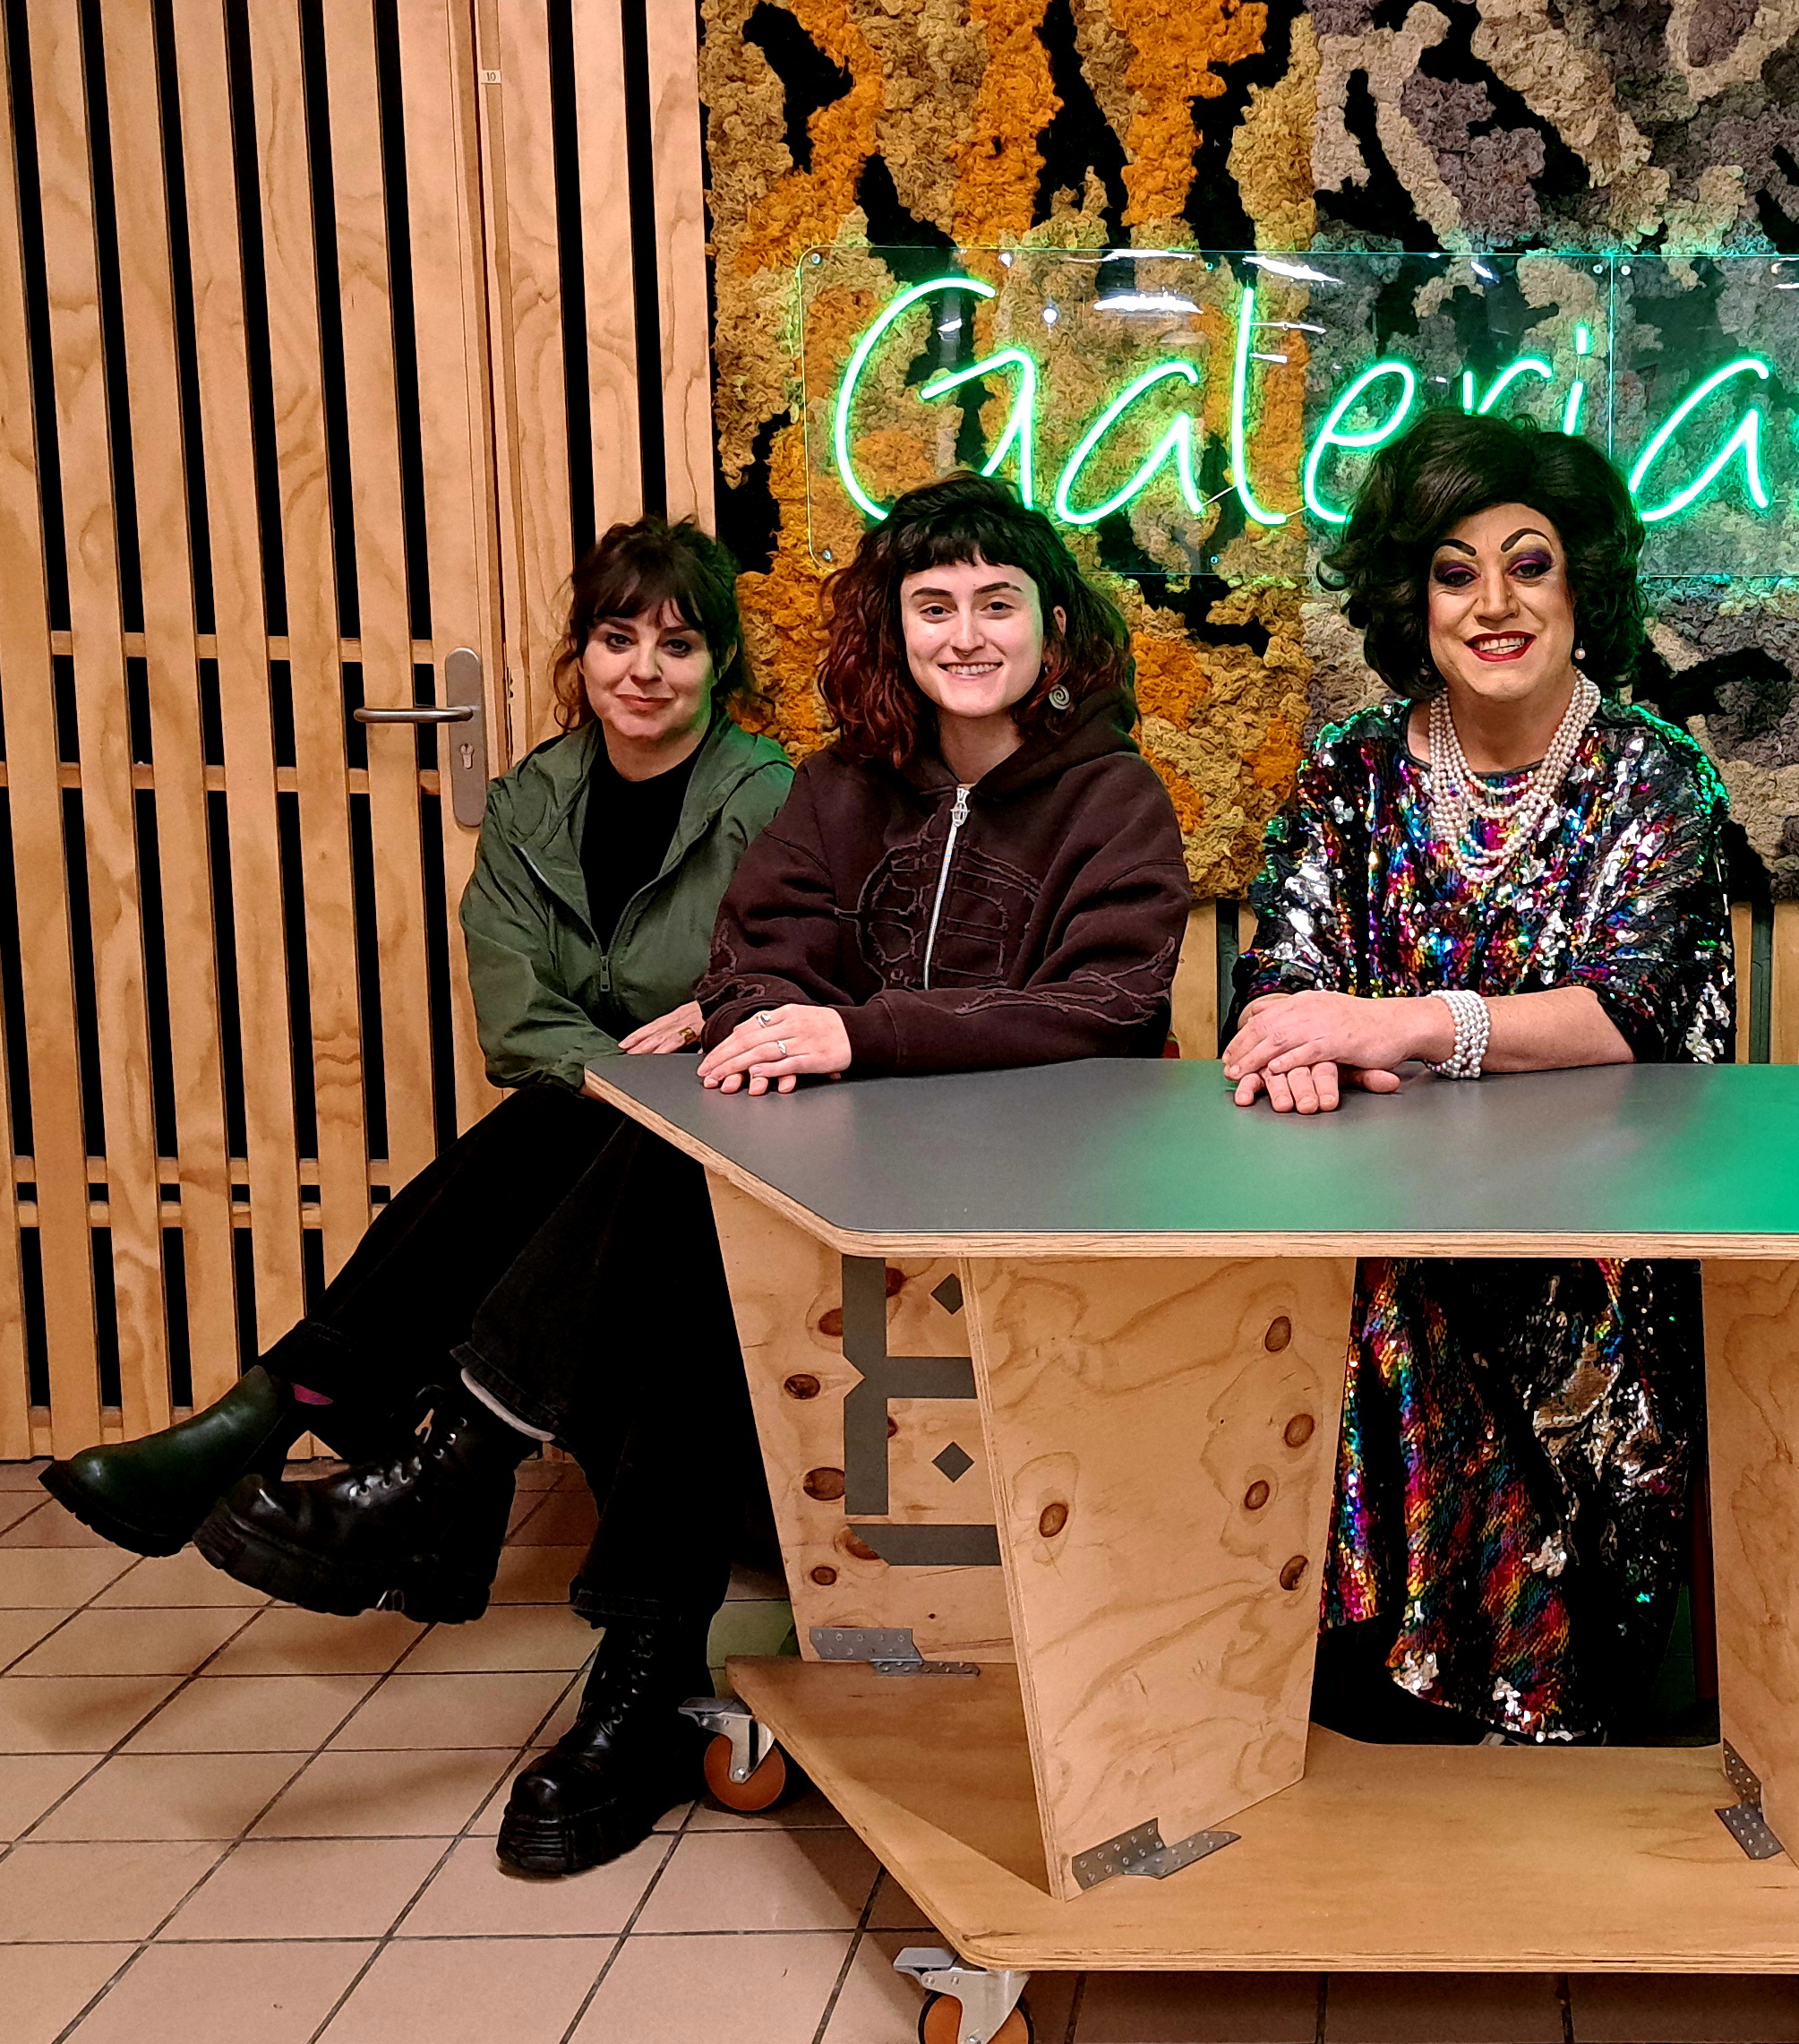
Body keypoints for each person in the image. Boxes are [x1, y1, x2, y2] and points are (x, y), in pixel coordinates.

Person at [188, 473, 1193, 1877]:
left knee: (670, 1197)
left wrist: (856, 1032)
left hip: (1029, 1191)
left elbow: (1111, 1004)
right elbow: (756, 953)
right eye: (933, 606)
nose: (966, 634)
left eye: (996, 604)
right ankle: (635, 1661)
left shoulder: (1113, 797)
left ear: (1053, 626)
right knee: (680, 1205)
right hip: (839, 1184)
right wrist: (768, 1014)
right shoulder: (842, 786)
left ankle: (469, 1480)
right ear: (892, 630)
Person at [39, 520, 791, 1557]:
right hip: (588, 1118)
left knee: (535, 1141)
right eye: (618, 639)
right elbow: (517, 1019)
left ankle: (281, 1411)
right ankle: (376, 1454)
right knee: (552, 1132)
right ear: (581, 652)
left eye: (679, 645)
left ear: (721, 662)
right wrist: (620, 1078)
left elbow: (784, 978)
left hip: (725, 1123)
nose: (644, 671)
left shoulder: (769, 796)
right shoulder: (532, 802)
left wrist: (704, 1031)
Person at [1223, 411, 1737, 1746]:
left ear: (1582, 588)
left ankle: (1552, 1700)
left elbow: (1629, 1009)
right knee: (1353, 1292)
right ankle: (1357, 1703)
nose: (1493, 603)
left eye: (1529, 564)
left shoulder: (1656, 775)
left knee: (1508, 1312)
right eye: (1456, 572)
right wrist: (1296, 1046)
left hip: (1598, 1233)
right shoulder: (1350, 769)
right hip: (1376, 1220)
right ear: (1415, 599)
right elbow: (1276, 984)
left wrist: (1394, 1028)